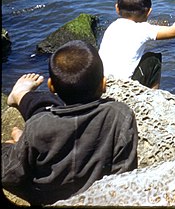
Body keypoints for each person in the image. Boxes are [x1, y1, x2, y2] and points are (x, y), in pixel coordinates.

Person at [2, 40, 138, 205]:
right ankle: (22, 107)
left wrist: (14, 148)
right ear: (103, 84)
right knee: (46, 114)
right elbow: (125, 172)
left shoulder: (38, 125)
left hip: (45, 198)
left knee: (43, 115)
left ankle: (21, 102)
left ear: (51, 86)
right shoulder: (120, 114)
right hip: (99, 197)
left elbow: (13, 174)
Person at [99, 0, 175, 89]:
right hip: (121, 86)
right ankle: (153, 95)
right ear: (148, 12)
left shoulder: (112, 27)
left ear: (117, 8)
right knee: (153, 60)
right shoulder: (143, 29)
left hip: (101, 82)